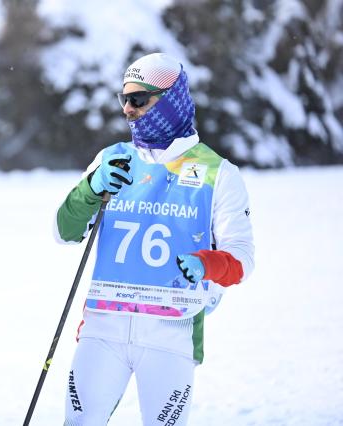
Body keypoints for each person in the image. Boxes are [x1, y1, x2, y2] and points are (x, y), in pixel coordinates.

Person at [55, 53, 254, 425]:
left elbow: (242, 261)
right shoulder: (112, 159)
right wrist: (90, 188)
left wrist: (206, 263)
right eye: (123, 99)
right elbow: (63, 231)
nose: (128, 110)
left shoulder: (219, 173)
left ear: (172, 100)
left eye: (139, 100)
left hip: (172, 334)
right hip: (103, 328)